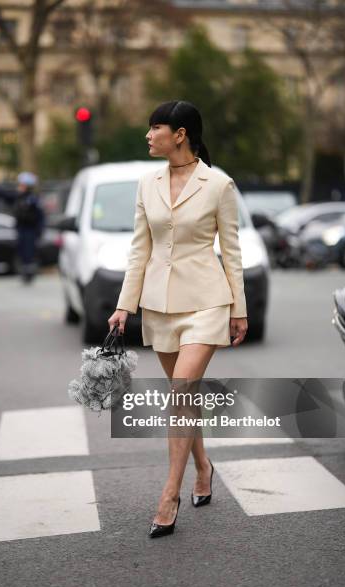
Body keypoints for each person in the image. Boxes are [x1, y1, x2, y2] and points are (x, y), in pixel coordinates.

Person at [107, 100, 248, 538]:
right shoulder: (146, 183)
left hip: (207, 300)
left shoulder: (218, 184)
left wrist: (238, 310)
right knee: (182, 398)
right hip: (160, 305)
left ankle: (169, 494)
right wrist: (123, 305)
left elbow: (232, 251)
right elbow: (139, 249)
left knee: (182, 391)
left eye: (156, 128)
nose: (148, 136)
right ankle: (203, 466)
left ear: (181, 133)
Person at [0, 172, 45, 283]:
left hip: (30, 230)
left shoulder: (33, 199)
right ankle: (24, 273)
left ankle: (29, 274)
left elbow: (40, 216)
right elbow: (4, 196)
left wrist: (39, 230)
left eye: (22, 185)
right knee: (22, 251)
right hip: (21, 229)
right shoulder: (18, 197)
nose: (19, 187)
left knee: (29, 252)